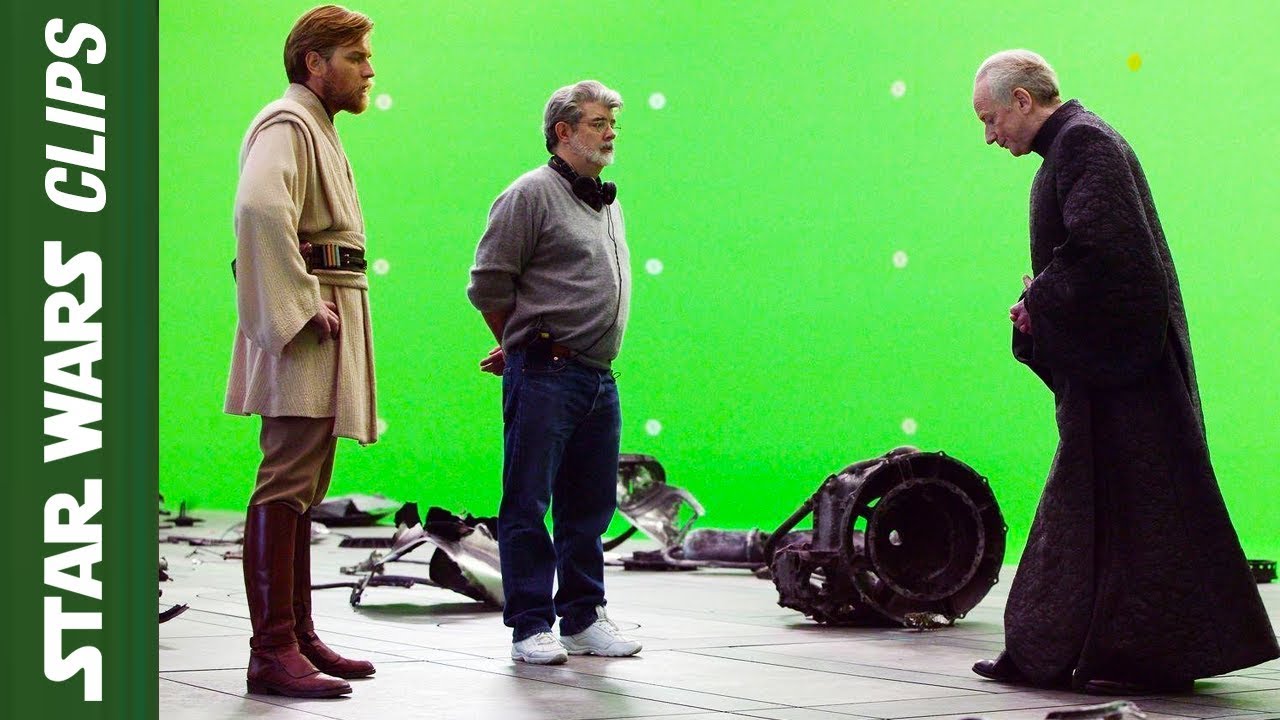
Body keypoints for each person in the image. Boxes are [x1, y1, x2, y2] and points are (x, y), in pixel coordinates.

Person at [969, 49, 1278, 693]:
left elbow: (1109, 254)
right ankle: (1058, 650)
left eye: (990, 119)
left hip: (1132, 380)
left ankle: (1139, 658)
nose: (989, 137)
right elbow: (1094, 256)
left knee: (1142, 515)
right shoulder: (1072, 149)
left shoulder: (1084, 145)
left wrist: (1039, 301)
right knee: (1106, 510)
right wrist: (1045, 302)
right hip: (1116, 371)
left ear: (1022, 100)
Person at [224, 4, 380, 698]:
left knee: (306, 481)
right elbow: (260, 209)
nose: (369, 70)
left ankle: (299, 636)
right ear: (315, 63)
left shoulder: (315, 126)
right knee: (287, 478)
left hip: (323, 314)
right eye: (356, 57)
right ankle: (272, 651)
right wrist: (297, 302)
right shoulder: (288, 122)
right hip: (307, 323)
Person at [467, 80, 643, 665]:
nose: (610, 133)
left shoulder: (607, 201)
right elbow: (488, 284)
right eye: (598, 123)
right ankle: (530, 626)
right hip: (547, 372)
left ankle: (583, 618)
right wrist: (519, 343)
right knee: (527, 503)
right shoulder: (529, 195)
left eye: (613, 123)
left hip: (597, 377)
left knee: (588, 509)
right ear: (563, 131)